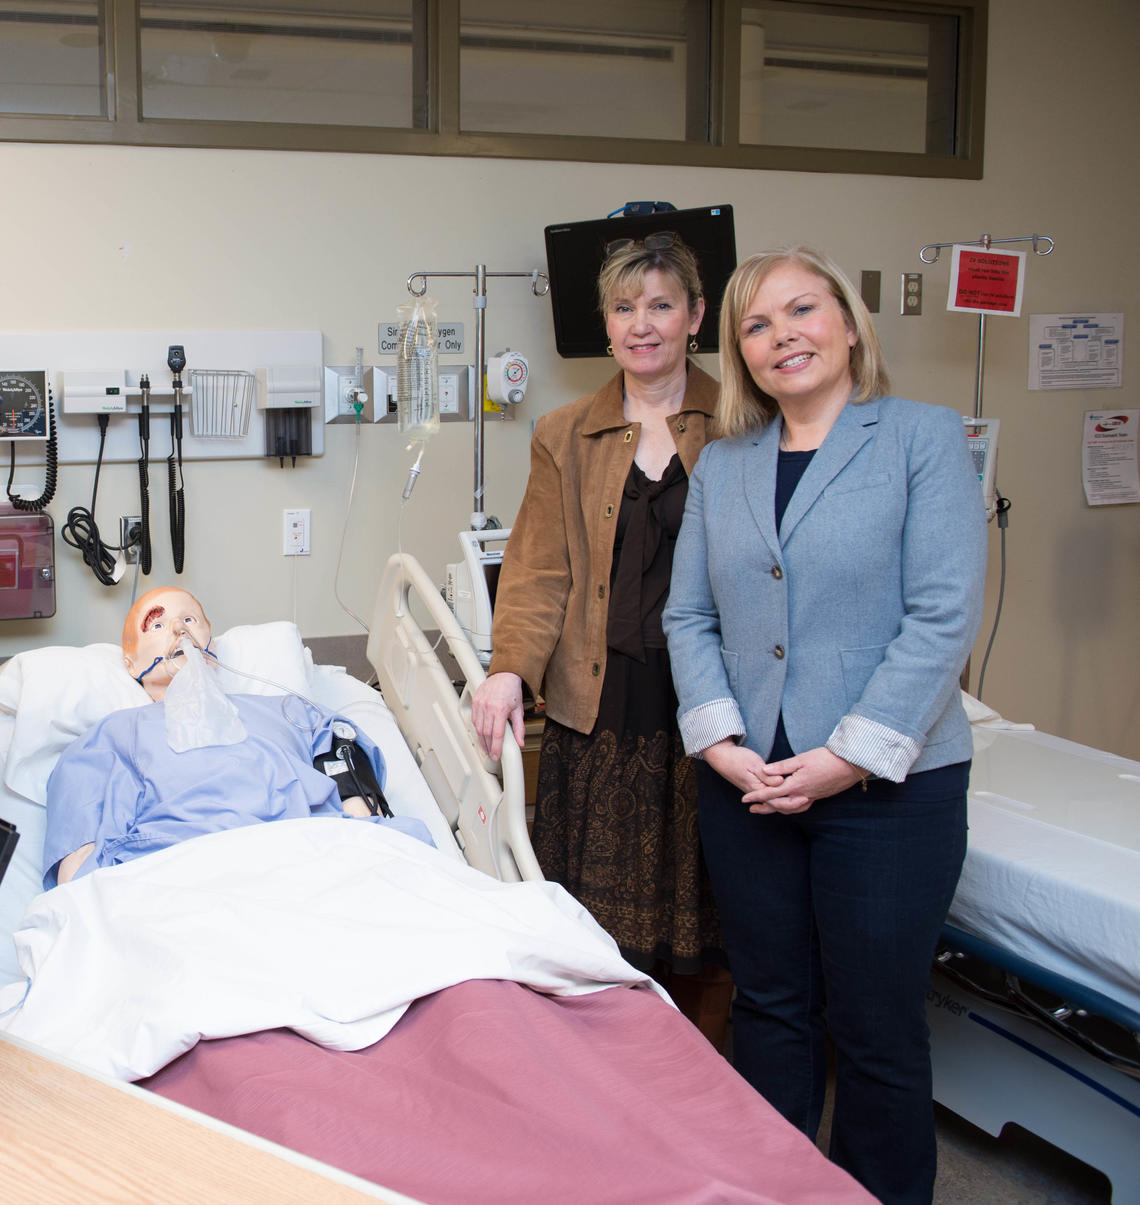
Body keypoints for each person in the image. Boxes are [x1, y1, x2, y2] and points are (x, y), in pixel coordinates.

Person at [662, 247, 987, 1204]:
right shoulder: (723, 466)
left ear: (848, 323)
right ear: (742, 355)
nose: (781, 336)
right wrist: (721, 744)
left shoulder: (922, 439)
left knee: (877, 1026)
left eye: (802, 310)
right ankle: (779, 1189)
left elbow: (941, 616)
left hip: (891, 790)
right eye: (756, 326)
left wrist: (847, 758)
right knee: (769, 1008)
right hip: (749, 784)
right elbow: (690, 616)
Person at [470, 233, 729, 1037]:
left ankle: (699, 1065)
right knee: (595, 918)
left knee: (705, 910)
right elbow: (539, 570)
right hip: (601, 698)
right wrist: (509, 668)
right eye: (624, 308)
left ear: (695, 316)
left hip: (710, 696)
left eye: (660, 305)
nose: (641, 324)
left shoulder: (742, 422)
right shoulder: (565, 432)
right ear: (606, 324)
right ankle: (607, 1056)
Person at [44, 585, 429, 888]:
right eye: (158, 625)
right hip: (178, 868)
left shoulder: (286, 709)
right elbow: (78, 866)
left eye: (190, 620)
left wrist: (360, 830)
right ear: (131, 664)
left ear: (210, 647)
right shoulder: (114, 733)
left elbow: (341, 748)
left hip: (311, 852)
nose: (178, 630)